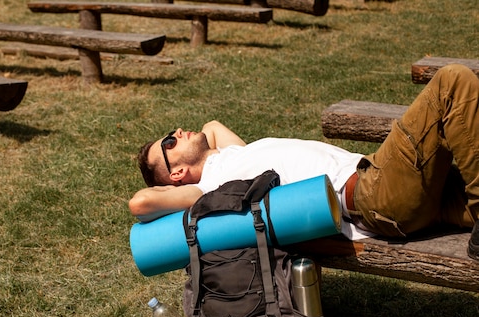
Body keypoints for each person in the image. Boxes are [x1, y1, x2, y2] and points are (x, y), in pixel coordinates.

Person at [128, 64, 479, 260]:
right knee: (452, 82)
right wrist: (179, 185)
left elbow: (213, 128)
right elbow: (140, 203)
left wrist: (201, 151)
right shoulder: (211, 190)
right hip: (374, 195)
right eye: (170, 142)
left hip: (386, 184)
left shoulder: (232, 158)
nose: (178, 131)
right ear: (176, 173)